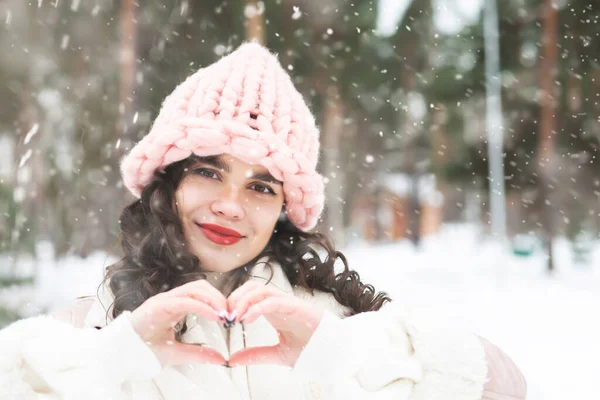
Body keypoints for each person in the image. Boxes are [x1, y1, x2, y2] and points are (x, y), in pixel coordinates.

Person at [0, 42, 527, 400]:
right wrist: (113, 363)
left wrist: (349, 359)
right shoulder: (91, 327)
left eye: (260, 186)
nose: (231, 205)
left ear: (284, 210)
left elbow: (504, 385)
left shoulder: (333, 319)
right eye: (209, 171)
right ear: (169, 184)